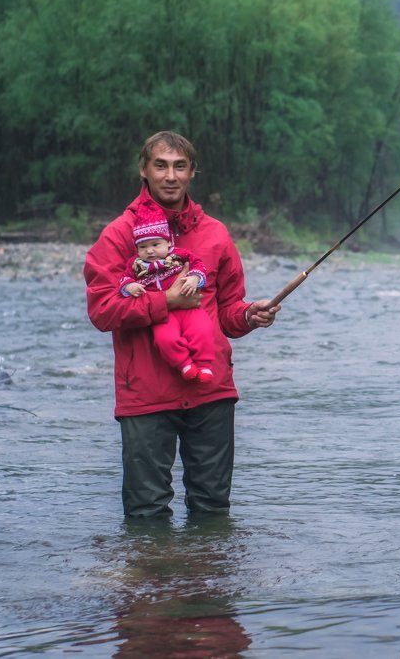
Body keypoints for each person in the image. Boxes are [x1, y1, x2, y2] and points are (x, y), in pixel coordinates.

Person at [84, 131, 279, 518]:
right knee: (146, 513)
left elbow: (227, 311)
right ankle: (157, 578)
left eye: (179, 166)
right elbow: (102, 311)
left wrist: (248, 316)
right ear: (144, 171)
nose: (170, 175)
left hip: (212, 390)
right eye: (161, 165)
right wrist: (165, 301)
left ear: (192, 173)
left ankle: (207, 580)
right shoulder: (119, 235)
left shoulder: (215, 233)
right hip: (145, 395)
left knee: (212, 510)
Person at [119, 199, 216, 384]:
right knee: (164, 339)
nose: (150, 251)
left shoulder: (179, 255)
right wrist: (130, 287)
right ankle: (185, 364)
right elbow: (124, 279)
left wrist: (195, 278)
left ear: (167, 241)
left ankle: (204, 365)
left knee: (203, 330)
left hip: (189, 306)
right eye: (143, 247)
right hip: (162, 313)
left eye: (156, 244)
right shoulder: (135, 264)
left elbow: (199, 265)